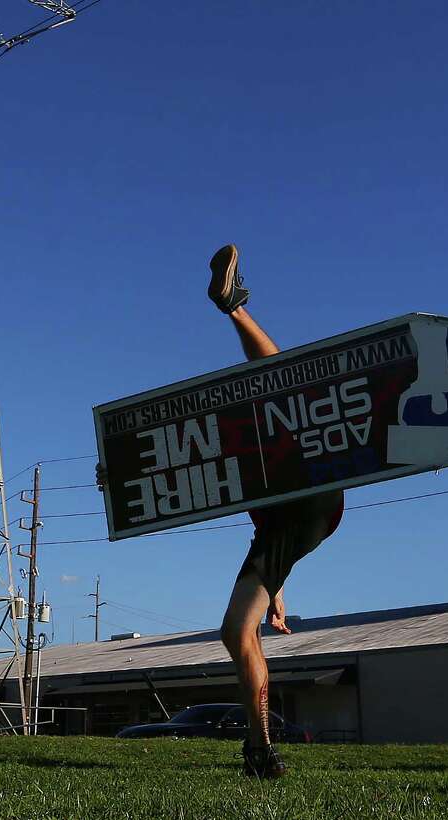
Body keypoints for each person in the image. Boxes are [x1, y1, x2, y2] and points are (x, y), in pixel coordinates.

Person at [100, 245, 343, 778]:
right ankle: (258, 749)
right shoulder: (251, 475)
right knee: (238, 631)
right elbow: (270, 543)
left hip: (306, 504)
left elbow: (279, 532)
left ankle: (259, 748)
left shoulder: (286, 465)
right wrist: (277, 595)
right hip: (294, 515)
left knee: (281, 387)